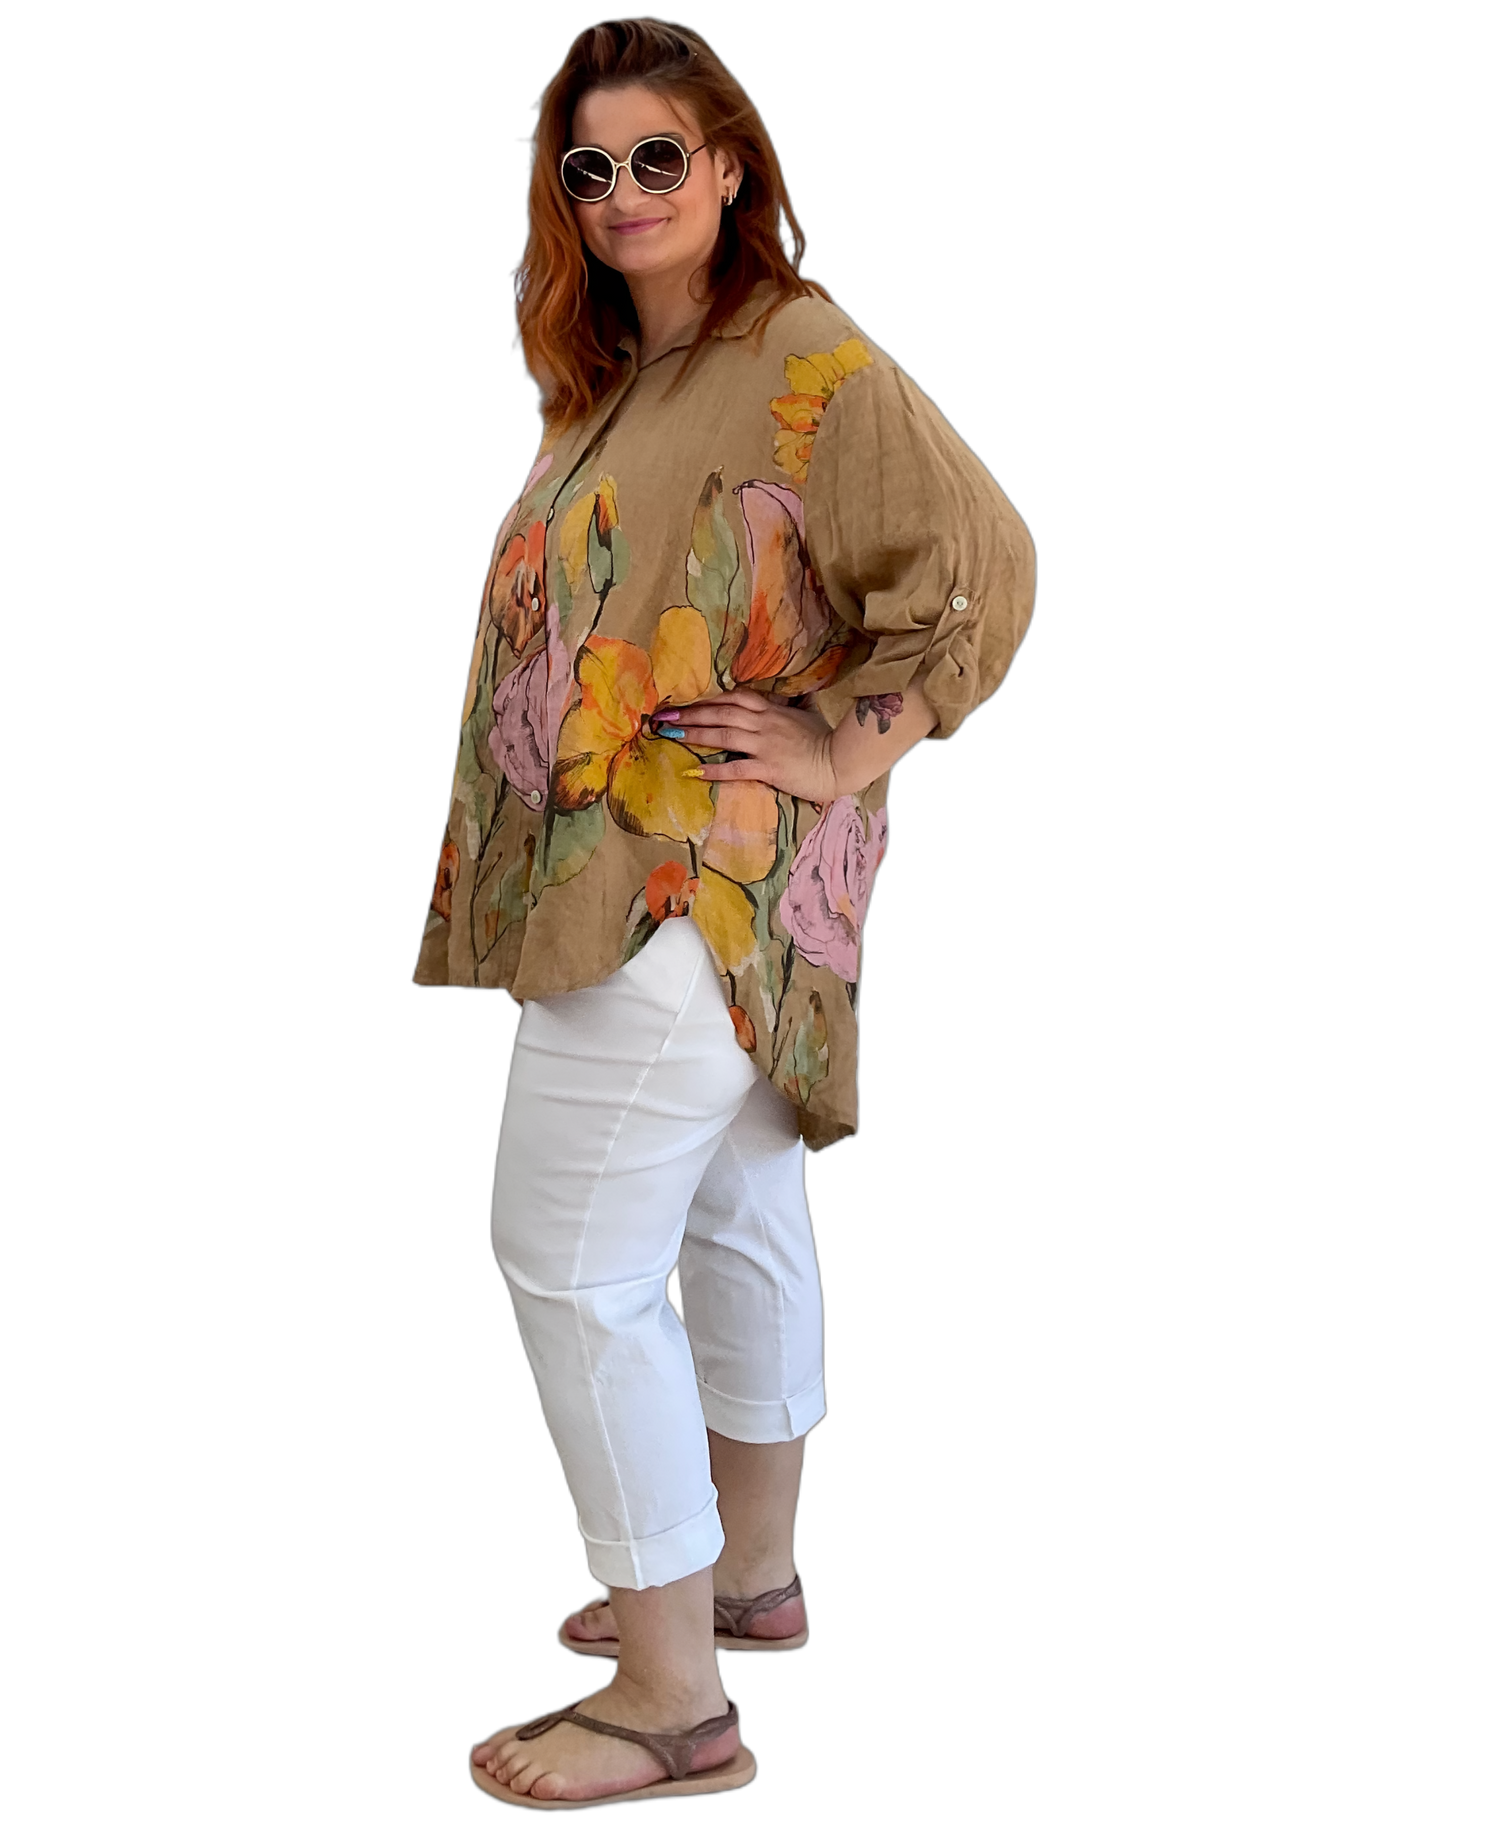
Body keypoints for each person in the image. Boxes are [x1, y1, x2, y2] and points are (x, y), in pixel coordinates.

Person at [416, 17, 1036, 1810]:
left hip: (685, 887)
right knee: (736, 1205)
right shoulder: (620, 372)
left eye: (657, 157)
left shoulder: (798, 350)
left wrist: (848, 745)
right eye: (589, 167)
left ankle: (671, 1699)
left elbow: (980, 563)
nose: (622, 192)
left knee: (571, 1263)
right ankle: (749, 1581)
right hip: (671, 882)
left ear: (731, 165)